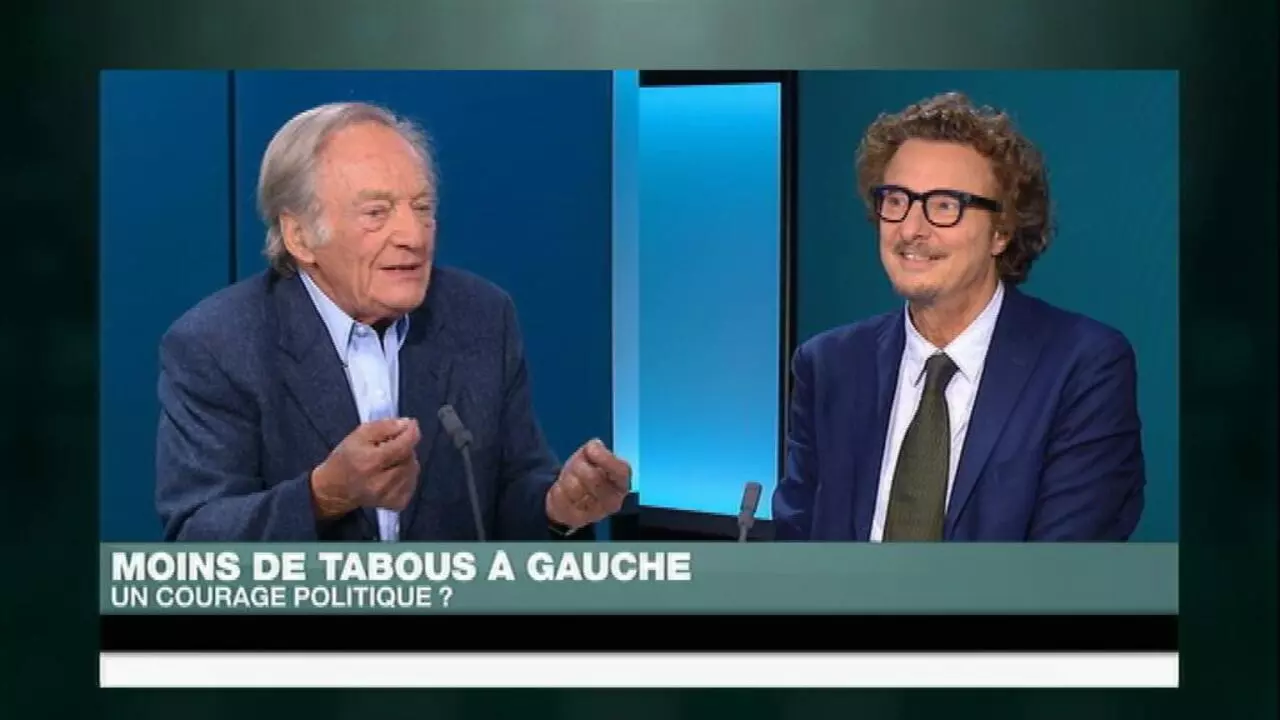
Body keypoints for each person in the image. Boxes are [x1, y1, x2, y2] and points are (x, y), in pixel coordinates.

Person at [155, 101, 631, 542]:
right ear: (299, 236)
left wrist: (558, 508)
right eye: (377, 213)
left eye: (422, 208)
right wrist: (322, 495)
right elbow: (197, 536)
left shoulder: (481, 316)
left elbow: (511, 491)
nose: (413, 236)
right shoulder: (218, 345)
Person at [772, 92, 1145, 542]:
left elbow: (1064, 569)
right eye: (897, 200)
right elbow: (796, 546)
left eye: (945, 205)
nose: (911, 229)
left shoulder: (1083, 367)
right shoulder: (829, 364)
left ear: (1001, 231)